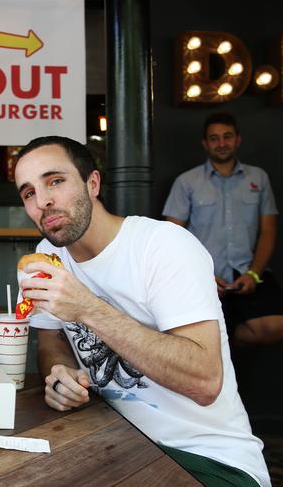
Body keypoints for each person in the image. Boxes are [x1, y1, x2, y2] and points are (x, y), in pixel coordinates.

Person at [14, 135, 270, 486]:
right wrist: (61, 373)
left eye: (55, 181)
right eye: (28, 193)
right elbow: (50, 339)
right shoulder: (45, 256)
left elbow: (206, 382)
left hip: (207, 459)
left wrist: (88, 308)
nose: (42, 201)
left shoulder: (164, 246)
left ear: (92, 183)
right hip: (113, 444)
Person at [163, 112, 283, 345]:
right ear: (205, 144)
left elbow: (268, 230)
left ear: (238, 139)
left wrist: (254, 273)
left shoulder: (258, 177)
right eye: (214, 138)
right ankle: (220, 340)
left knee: (275, 327)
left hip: (248, 273)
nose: (221, 143)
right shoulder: (187, 181)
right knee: (193, 338)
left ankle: (227, 339)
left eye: (227, 136)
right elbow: (172, 235)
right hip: (203, 277)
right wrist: (202, 276)